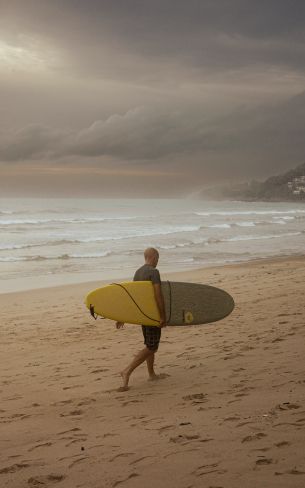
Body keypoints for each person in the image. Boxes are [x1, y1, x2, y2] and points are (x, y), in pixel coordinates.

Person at [116, 247, 166, 391]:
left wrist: (122, 316)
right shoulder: (154, 272)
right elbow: (158, 295)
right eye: (158, 258)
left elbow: (134, 296)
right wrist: (162, 316)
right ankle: (127, 371)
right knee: (152, 346)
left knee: (149, 344)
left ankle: (151, 374)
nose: (158, 262)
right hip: (152, 315)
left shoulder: (138, 272)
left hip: (143, 315)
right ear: (154, 257)